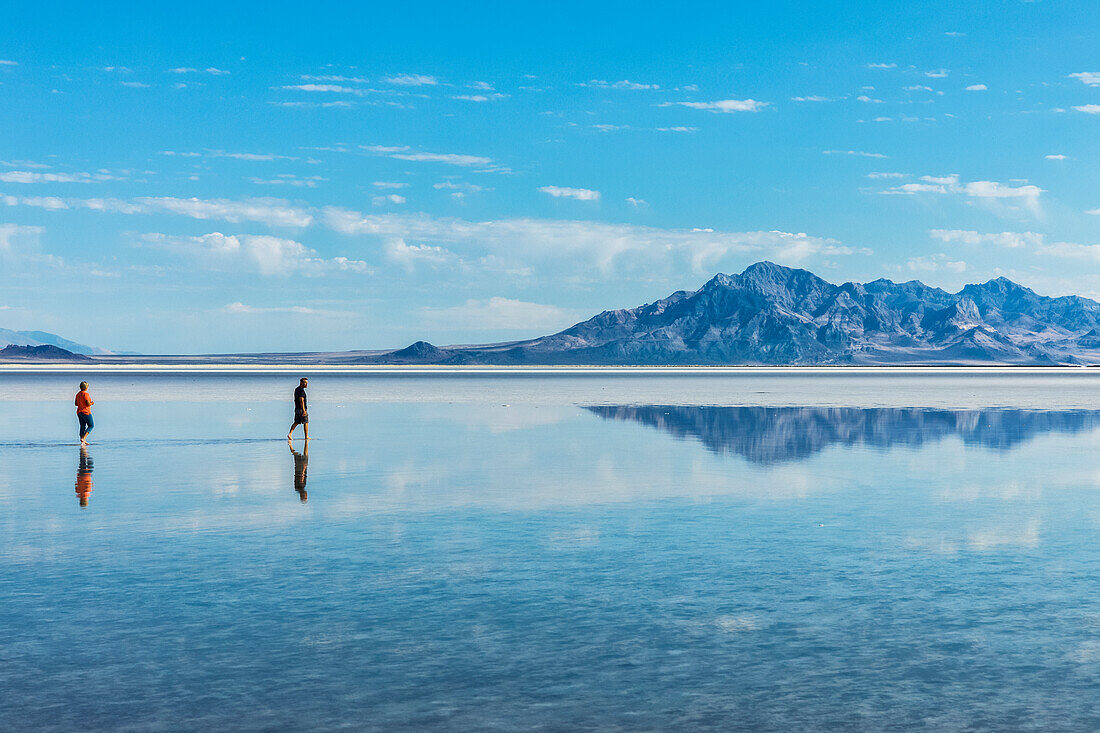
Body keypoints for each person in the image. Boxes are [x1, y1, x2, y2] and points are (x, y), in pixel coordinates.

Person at [75, 381, 94, 445]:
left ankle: (82, 440)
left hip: (79, 412)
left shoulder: (78, 394)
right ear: (86, 387)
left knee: (82, 426)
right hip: (86, 412)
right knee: (91, 425)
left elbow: (76, 404)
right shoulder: (86, 394)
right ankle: (84, 438)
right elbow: (88, 403)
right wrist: (92, 403)